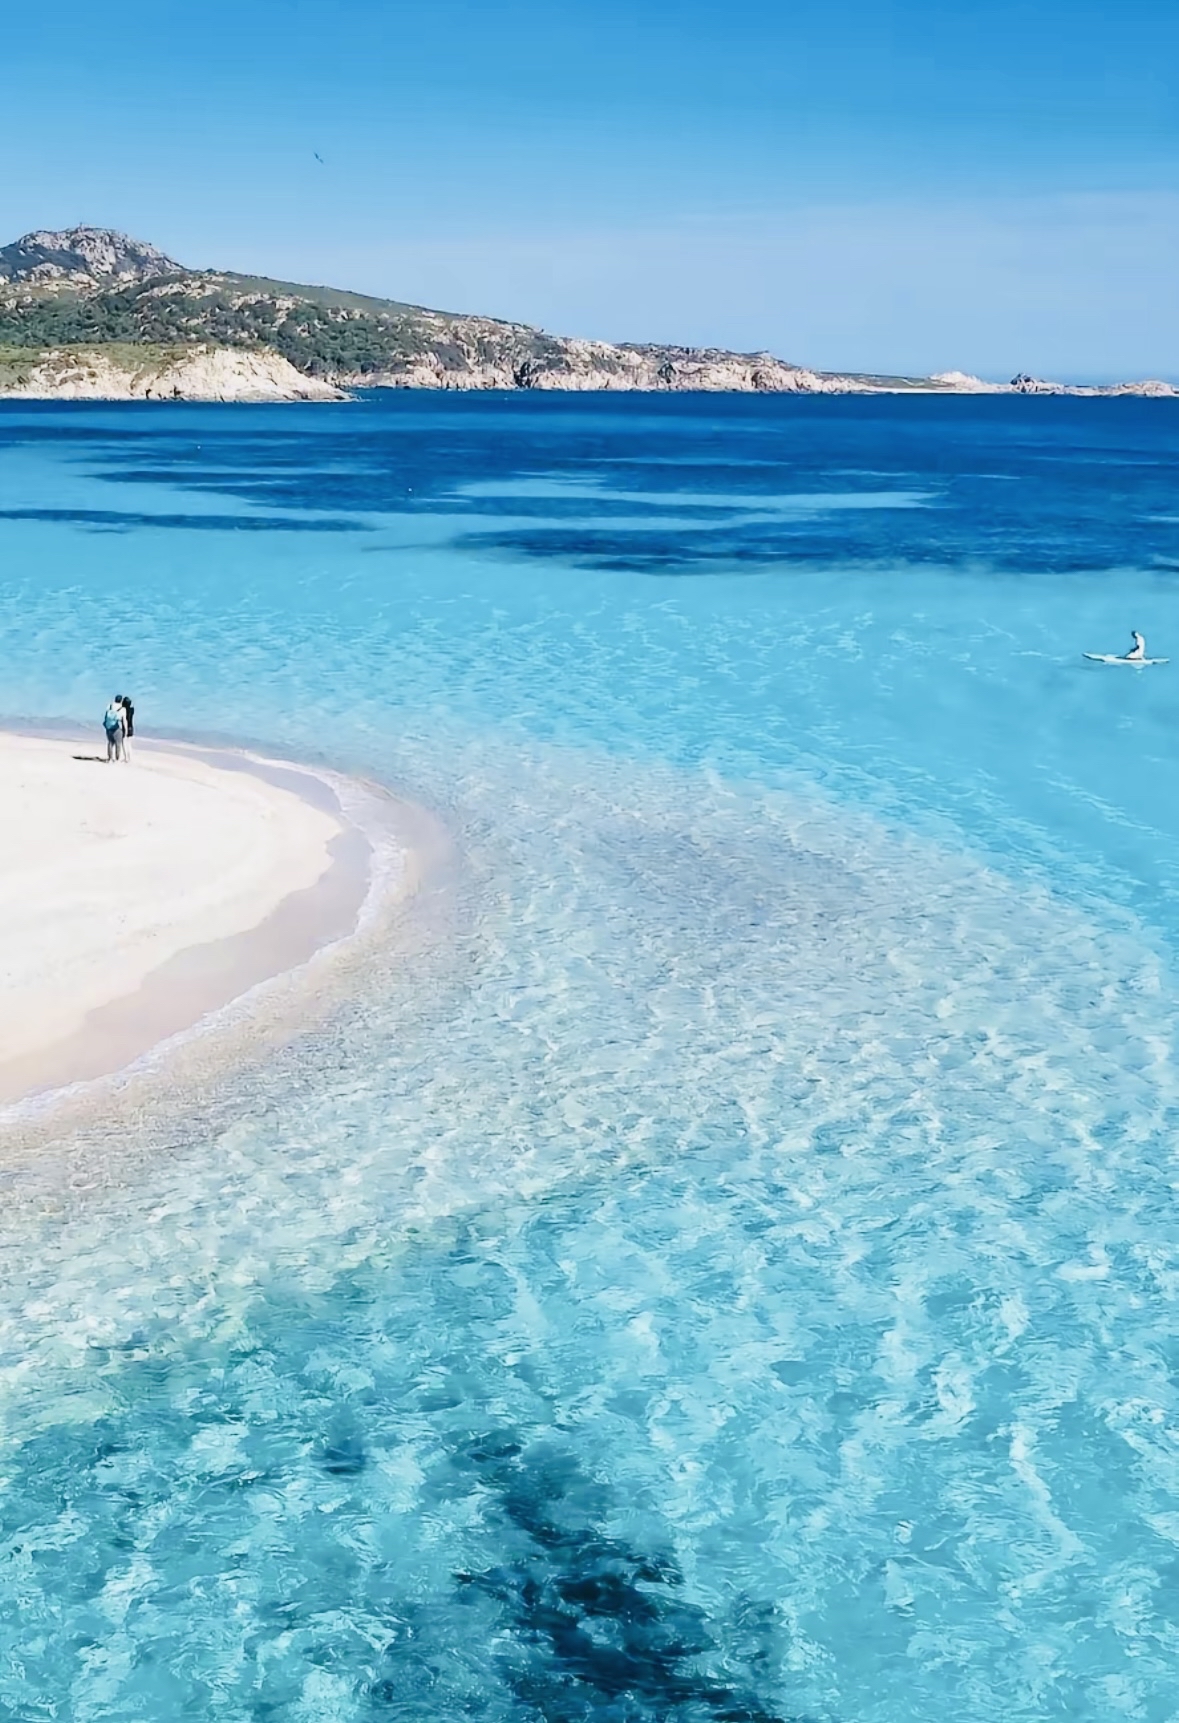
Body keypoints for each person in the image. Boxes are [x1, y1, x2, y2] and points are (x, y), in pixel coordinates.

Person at [118, 694, 135, 761]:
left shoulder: (123, 710)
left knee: (124, 743)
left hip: (125, 727)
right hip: (131, 727)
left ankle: (126, 758)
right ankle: (130, 757)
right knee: (129, 743)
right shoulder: (132, 710)